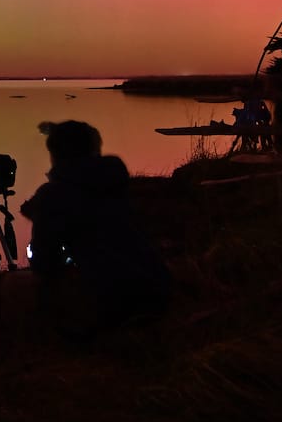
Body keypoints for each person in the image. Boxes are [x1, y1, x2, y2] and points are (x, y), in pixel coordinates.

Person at [18, 120, 171, 338]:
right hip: (156, 290)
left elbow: (45, 265)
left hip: (109, 305)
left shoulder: (54, 195)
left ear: (55, 155)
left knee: (16, 287)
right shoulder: (114, 180)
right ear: (95, 148)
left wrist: (46, 220)